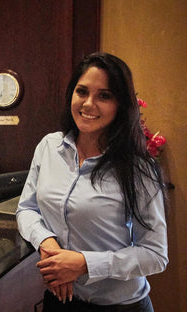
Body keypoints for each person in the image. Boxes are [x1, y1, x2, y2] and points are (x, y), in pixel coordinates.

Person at [16, 52, 168, 311]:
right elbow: (27, 209)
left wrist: (84, 264)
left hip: (120, 305)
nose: (88, 104)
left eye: (104, 96)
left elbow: (155, 255)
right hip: (60, 301)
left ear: (121, 104)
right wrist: (46, 242)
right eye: (82, 91)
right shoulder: (49, 147)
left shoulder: (138, 168)